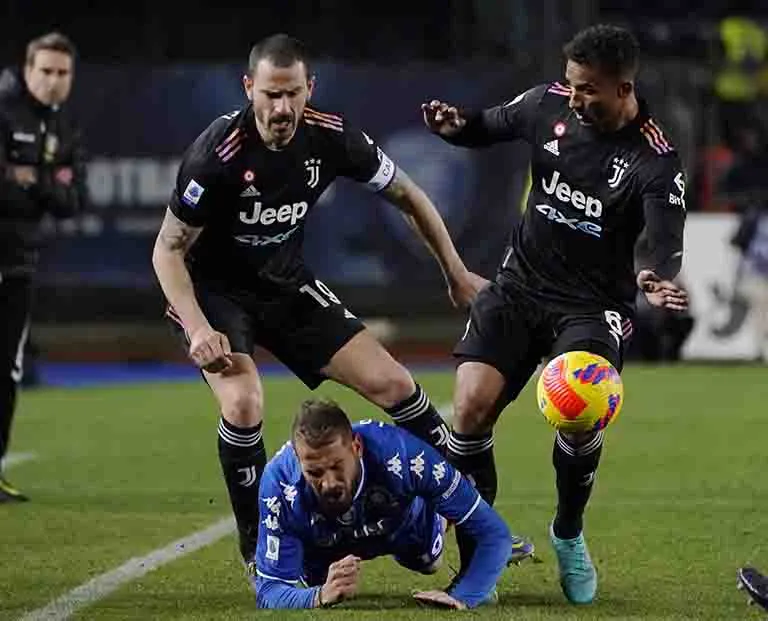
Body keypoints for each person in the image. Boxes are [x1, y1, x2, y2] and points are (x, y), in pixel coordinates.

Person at [152, 34, 485, 570]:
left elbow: (410, 195)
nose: (281, 108)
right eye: (269, 95)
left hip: (285, 285)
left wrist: (455, 270)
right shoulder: (217, 153)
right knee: (242, 404)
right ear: (248, 89)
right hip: (215, 293)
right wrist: (196, 328)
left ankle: (471, 520)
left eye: (292, 94)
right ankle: (255, 546)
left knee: (396, 384)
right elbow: (167, 250)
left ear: (311, 88)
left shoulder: (333, 138)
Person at [422, 24, 689, 604]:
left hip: (592, 307)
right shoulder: (546, 106)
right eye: (571, 84)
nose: (574, 97)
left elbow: (662, 241)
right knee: (468, 405)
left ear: (624, 89)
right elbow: (486, 124)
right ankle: (480, 558)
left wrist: (651, 276)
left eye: (588, 89)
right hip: (519, 286)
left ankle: (567, 531)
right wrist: (454, 127)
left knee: (581, 410)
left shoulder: (655, 160)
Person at [253, 399, 533, 609]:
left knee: (429, 561)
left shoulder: (404, 456)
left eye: (337, 466)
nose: (328, 483)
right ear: (299, 463)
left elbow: (494, 534)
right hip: (325, 544)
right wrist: (318, 595)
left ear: (357, 448)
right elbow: (270, 591)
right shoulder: (279, 482)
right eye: (314, 473)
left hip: (399, 525)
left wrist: (462, 596)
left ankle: (439, 519)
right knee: (313, 580)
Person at [0, 32, 86, 502]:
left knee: (6, 372)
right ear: (27, 69)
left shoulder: (67, 129)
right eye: (46, 71)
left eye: (62, 73)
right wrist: (44, 183)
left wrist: (27, 179)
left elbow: (74, 201)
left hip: (19, 264)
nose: (54, 81)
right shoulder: (2, 111)